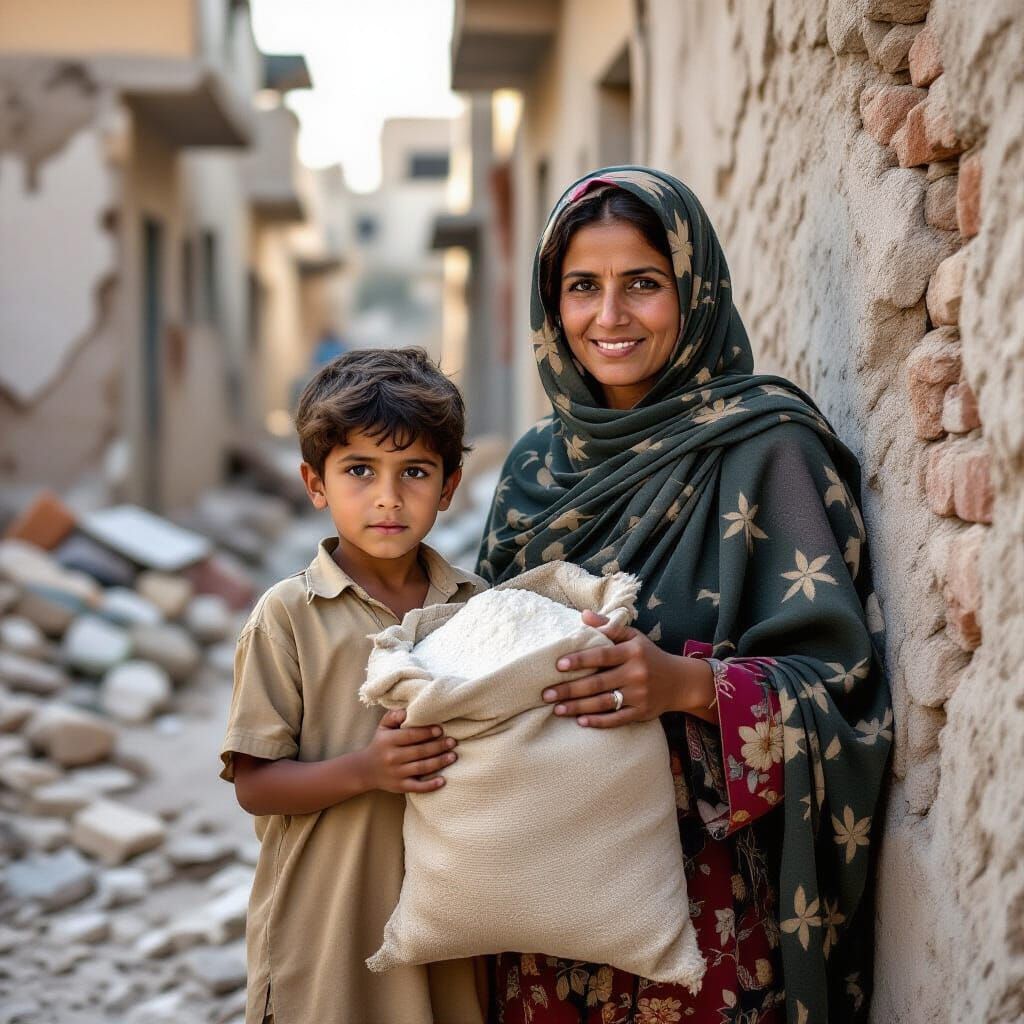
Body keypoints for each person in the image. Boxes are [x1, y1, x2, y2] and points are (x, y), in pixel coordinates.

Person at [477, 168, 892, 1024]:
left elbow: (845, 694)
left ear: (695, 289)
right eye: (582, 288)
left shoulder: (768, 451)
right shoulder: (532, 472)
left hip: (707, 918)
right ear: (551, 306)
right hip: (538, 904)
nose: (611, 317)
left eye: (644, 284)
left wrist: (687, 685)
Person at [220, 348, 487, 1024]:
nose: (388, 497)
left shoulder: (475, 608)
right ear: (316, 483)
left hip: (449, 926)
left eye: (415, 472)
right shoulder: (288, 615)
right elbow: (256, 784)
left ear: (449, 487)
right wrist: (368, 770)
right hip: (327, 926)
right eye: (359, 471)